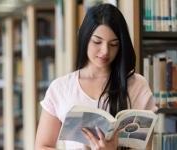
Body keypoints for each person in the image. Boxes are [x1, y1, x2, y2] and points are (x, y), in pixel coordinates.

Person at [35, 3, 157, 150]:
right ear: (85, 38)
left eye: (113, 44)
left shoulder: (136, 85)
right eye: (97, 42)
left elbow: (147, 147)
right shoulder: (61, 88)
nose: (105, 51)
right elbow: (42, 146)